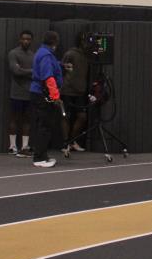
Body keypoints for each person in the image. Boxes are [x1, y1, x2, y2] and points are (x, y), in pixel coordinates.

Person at [29, 31, 63, 168]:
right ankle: (39, 158)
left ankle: (42, 155)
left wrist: (60, 65)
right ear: (55, 42)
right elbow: (48, 77)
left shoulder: (42, 52)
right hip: (42, 94)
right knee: (45, 126)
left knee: (42, 125)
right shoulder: (46, 55)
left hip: (38, 92)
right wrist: (56, 96)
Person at [60, 33, 90, 155]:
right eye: (85, 41)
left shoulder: (87, 56)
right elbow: (61, 69)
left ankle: (72, 141)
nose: (87, 44)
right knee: (65, 116)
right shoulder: (70, 54)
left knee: (82, 117)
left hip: (80, 91)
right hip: (67, 90)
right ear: (80, 42)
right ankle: (65, 143)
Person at [7, 30, 34, 156]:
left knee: (27, 119)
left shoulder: (33, 55)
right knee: (14, 118)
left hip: (29, 92)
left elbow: (35, 72)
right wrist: (31, 71)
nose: (26, 41)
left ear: (31, 41)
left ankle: (25, 146)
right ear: (20, 40)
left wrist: (24, 70)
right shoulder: (13, 53)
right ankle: (12, 146)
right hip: (16, 92)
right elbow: (16, 71)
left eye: (28, 39)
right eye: (24, 39)